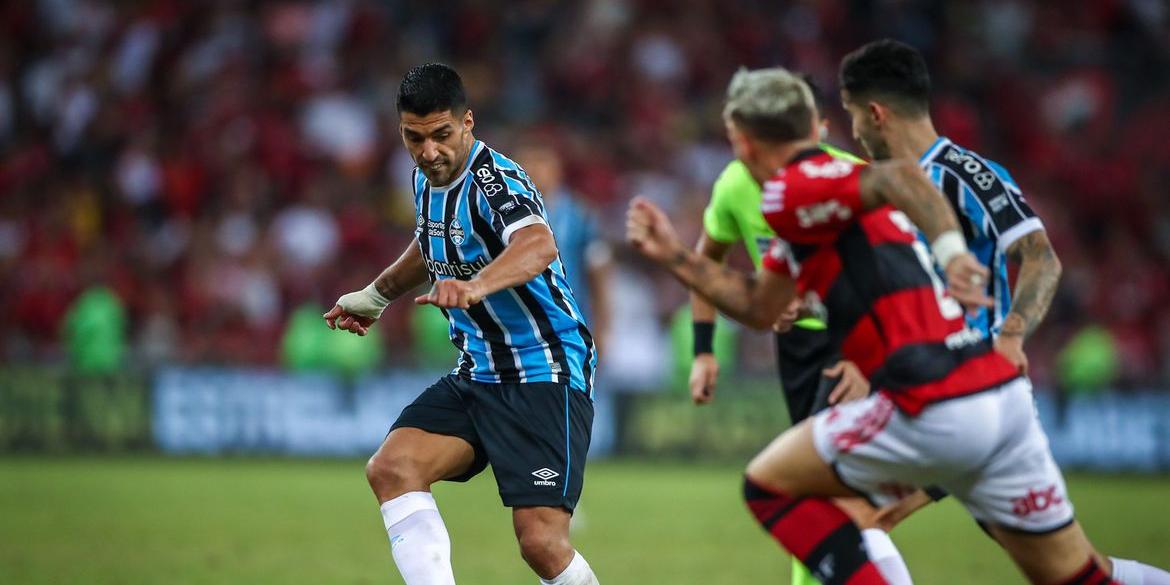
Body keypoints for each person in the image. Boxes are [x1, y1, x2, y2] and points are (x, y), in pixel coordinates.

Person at [627, 67, 1149, 584]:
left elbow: (902, 176)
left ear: (742, 143)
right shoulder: (815, 198)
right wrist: (674, 255)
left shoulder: (795, 190)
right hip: (998, 393)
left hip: (931, 399)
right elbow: (762, 306)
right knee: (1080, 576)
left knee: (773, 487)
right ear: (815, 126)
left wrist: (950, 249)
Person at [841, 40, 1170, 585]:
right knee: (1075, 575)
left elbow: (1041, 257)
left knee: (852, 517)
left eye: (852, 115)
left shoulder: (964, 173)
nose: (851, 131)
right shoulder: (883, 187)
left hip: (968, 393)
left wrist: (1012, 335)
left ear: (876, 113)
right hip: (955, 399)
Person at [324, 63, 600, 585]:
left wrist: (475, 286)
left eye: (442, 135)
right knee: (393, 468)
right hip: (479, 373)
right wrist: (375, 295)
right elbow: (433, 244)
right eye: (415, 138)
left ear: (467, 122)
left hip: (545, 370)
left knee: (540, 543)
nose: (429, 152)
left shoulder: (496, 179)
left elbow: (538, 244)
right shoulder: (424, 178)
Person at [688, 76, 910, 585]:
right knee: (823, 496)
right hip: (795, 350)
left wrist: (864, 358)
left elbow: (893, 277)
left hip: (852, 346)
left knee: (808, 493)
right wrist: (705, 350)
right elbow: (707, 265)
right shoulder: (735, 185)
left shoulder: (853, 180)